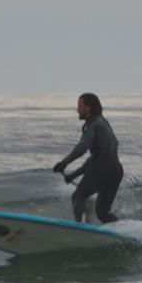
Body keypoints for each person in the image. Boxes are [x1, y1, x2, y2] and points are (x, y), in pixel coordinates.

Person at [52, 92, 124, 224]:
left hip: (103, 169)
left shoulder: (94, 125)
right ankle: (122, 229)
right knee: (103, 213)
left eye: (80, 106)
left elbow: (82, 147)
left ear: (89, 107)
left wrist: (64, 163)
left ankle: (79, 229)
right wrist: (74, 175)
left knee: (78, 196)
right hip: (116, 171)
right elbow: (97, 157)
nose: (77, 109)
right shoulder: (104, 123)